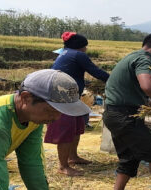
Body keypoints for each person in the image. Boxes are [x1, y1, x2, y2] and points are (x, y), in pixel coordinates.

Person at [103, 31, 151, 190]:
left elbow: (135, 92)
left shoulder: (132, 56)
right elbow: (148, 86)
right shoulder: (145, 58)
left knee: (129, 159)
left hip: (113, 114)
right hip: (125, 116)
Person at [0, 69, 91, 190]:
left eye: (61, 112)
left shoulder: (32, 117)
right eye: (50, 111)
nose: (56, 118)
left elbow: (31, 162)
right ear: (26, 98)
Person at [44, 32, 109, 176]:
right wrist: (114, 80)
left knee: (76, 127)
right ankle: (63, 166)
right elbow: (95, 72)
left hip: (71, 97)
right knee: (66, 130)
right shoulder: (78, 55)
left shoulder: (65, 53)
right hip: (62, 98)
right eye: (85, 46)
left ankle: (73, 157)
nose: (86, 49)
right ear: (81, 46)